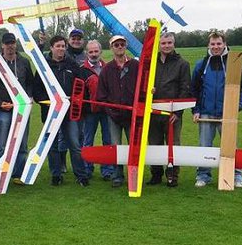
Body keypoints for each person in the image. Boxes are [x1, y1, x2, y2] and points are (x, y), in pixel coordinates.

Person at [33, 35, 91, 187]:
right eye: (57, 46)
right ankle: (56, 175)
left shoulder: (72, 65)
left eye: (63, 46)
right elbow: (36, 89)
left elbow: (81, 87)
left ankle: (81, 175)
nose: (61, 49)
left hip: (70, 112)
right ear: (51, 48)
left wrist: (75, 102)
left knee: (74, 144)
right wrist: (46, 102)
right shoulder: (43, 66)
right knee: (52, 145)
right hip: (51, 112)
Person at [191, 31, 242, 188]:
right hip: (206, 113)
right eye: (213, 44)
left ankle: (237, 176)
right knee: (204, 146)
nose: (216, 47)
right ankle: (203, 175)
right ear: (208, 45)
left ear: (224, 44)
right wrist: (196, 110)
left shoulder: (234, 63)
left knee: (231, 145)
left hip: (227, 113)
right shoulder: (201, 65)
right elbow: (194, 89)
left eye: (219, 44)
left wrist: (238, 106)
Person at [0, 31, 34, 182]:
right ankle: (3, 172)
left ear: (16, 44)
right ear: (2, 45)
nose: (10, 46)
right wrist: (0, 103)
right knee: (2, 143)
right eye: (7, 44)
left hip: (22, 109)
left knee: (21, 142)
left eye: (12, 43)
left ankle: (18, 174)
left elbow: (30, 83)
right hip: (4, 110)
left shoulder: (24, 62)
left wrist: (29, 98)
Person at [148, 32, 191, 187]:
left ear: (174, 44)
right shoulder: (152, 62)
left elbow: (184, 89)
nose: (166, 46)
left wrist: (178, 112)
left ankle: (173, 175)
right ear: (159, 45)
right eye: (163, 43)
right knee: (154, 143)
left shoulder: (183, 64)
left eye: (169, 43)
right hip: (153, 111)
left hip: (172, 112)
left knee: (174, 143)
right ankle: (156, 174)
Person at [96, 35, 139, 188]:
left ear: (125, 46)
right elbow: (101, 94)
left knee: (134, 146)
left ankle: (134, 175)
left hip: (131, 115)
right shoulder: (107, 69)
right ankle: (117, 175)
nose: (119, 47)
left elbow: (143, 87)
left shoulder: (135, 65)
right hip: (113, 116)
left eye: (122, 44)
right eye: (116, 45)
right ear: (111, 48)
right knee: (115, 146)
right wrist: (109, 109)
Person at [81, 40, 113, 181]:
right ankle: (87, 169)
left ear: (101, 52)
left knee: (108, 140)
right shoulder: (81, 69)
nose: (94, 54)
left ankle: (107, 170)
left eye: (96, 51)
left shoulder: (108, 68)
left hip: (107, 111)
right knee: (88, 141)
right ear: (86, 53)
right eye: (91, 52)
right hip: (90, 112)